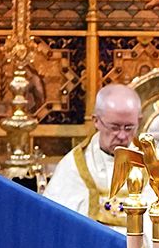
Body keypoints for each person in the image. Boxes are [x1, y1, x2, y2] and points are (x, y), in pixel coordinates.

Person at [43, 83, 143, 225]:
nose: (122, 136)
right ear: (96, 121)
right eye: (114, 127)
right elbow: (56, 219)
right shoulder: (75, 166)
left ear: (138, 121)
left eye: (129, 128)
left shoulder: (151, 165)